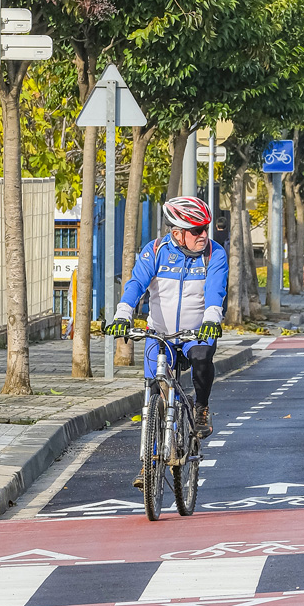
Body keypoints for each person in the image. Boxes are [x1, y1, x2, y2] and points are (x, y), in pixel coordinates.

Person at [104, 196, 229, 488]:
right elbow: (136, 283)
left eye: (205, 228)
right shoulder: (156, 250)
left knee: (201, 359)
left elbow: (216, 289)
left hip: (196, 332)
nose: (203, 235)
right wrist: (123, 313)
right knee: (154, 392)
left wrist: (212, 319)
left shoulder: (214, 253)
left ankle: (201, 408)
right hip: (158, 332)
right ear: (177, 233)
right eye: (196, 230)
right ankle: (149, 463)